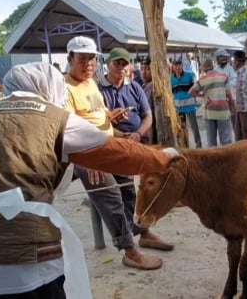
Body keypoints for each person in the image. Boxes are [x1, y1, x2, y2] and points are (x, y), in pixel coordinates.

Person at [0, 62, 176, 299]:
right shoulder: (52, 116)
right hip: (24, 252)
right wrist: (167, 158)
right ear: (49, 87)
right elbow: (120, 153)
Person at [64, 38, 171, 271]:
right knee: (110, 193)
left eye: (92, 58)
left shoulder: (91, 84)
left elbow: (98, 116)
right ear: (70, 58)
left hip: (108, 142)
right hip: (85, 152)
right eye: (82, 58)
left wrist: (112, 121)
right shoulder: (65, 88)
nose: (88, 63)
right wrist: (88, 158)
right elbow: (69, 129)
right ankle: (129, 251)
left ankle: (140, 232)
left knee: (128, 188)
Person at [189, 59, 235, 147]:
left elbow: (191, 92)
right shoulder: (223, 77)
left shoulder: (203, 79)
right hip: (223, 112)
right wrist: (232, 106)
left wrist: (203, 96)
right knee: (226, 141)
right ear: (213, 67)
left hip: (209, 112)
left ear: (204, 69)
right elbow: (228, 94)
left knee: (211, 142)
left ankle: (213, 159)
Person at [171, 59, 203, 148]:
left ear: (182, 66)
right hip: (178, 108)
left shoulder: (189, 76)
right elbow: (172, 92)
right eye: (176, 66)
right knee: (181, 128)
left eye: (179, 65)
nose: (178, 68)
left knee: (194, 126)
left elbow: (194, 88)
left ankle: (199, 145)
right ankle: (184, 145)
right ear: (173, 67)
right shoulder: (171, 79)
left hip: (189, 106)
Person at [139, 57, 157, 144]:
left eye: (148, 69)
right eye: (142, 69)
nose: (144, 72)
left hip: (152, 128)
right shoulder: (143, 85)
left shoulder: (153, 86)